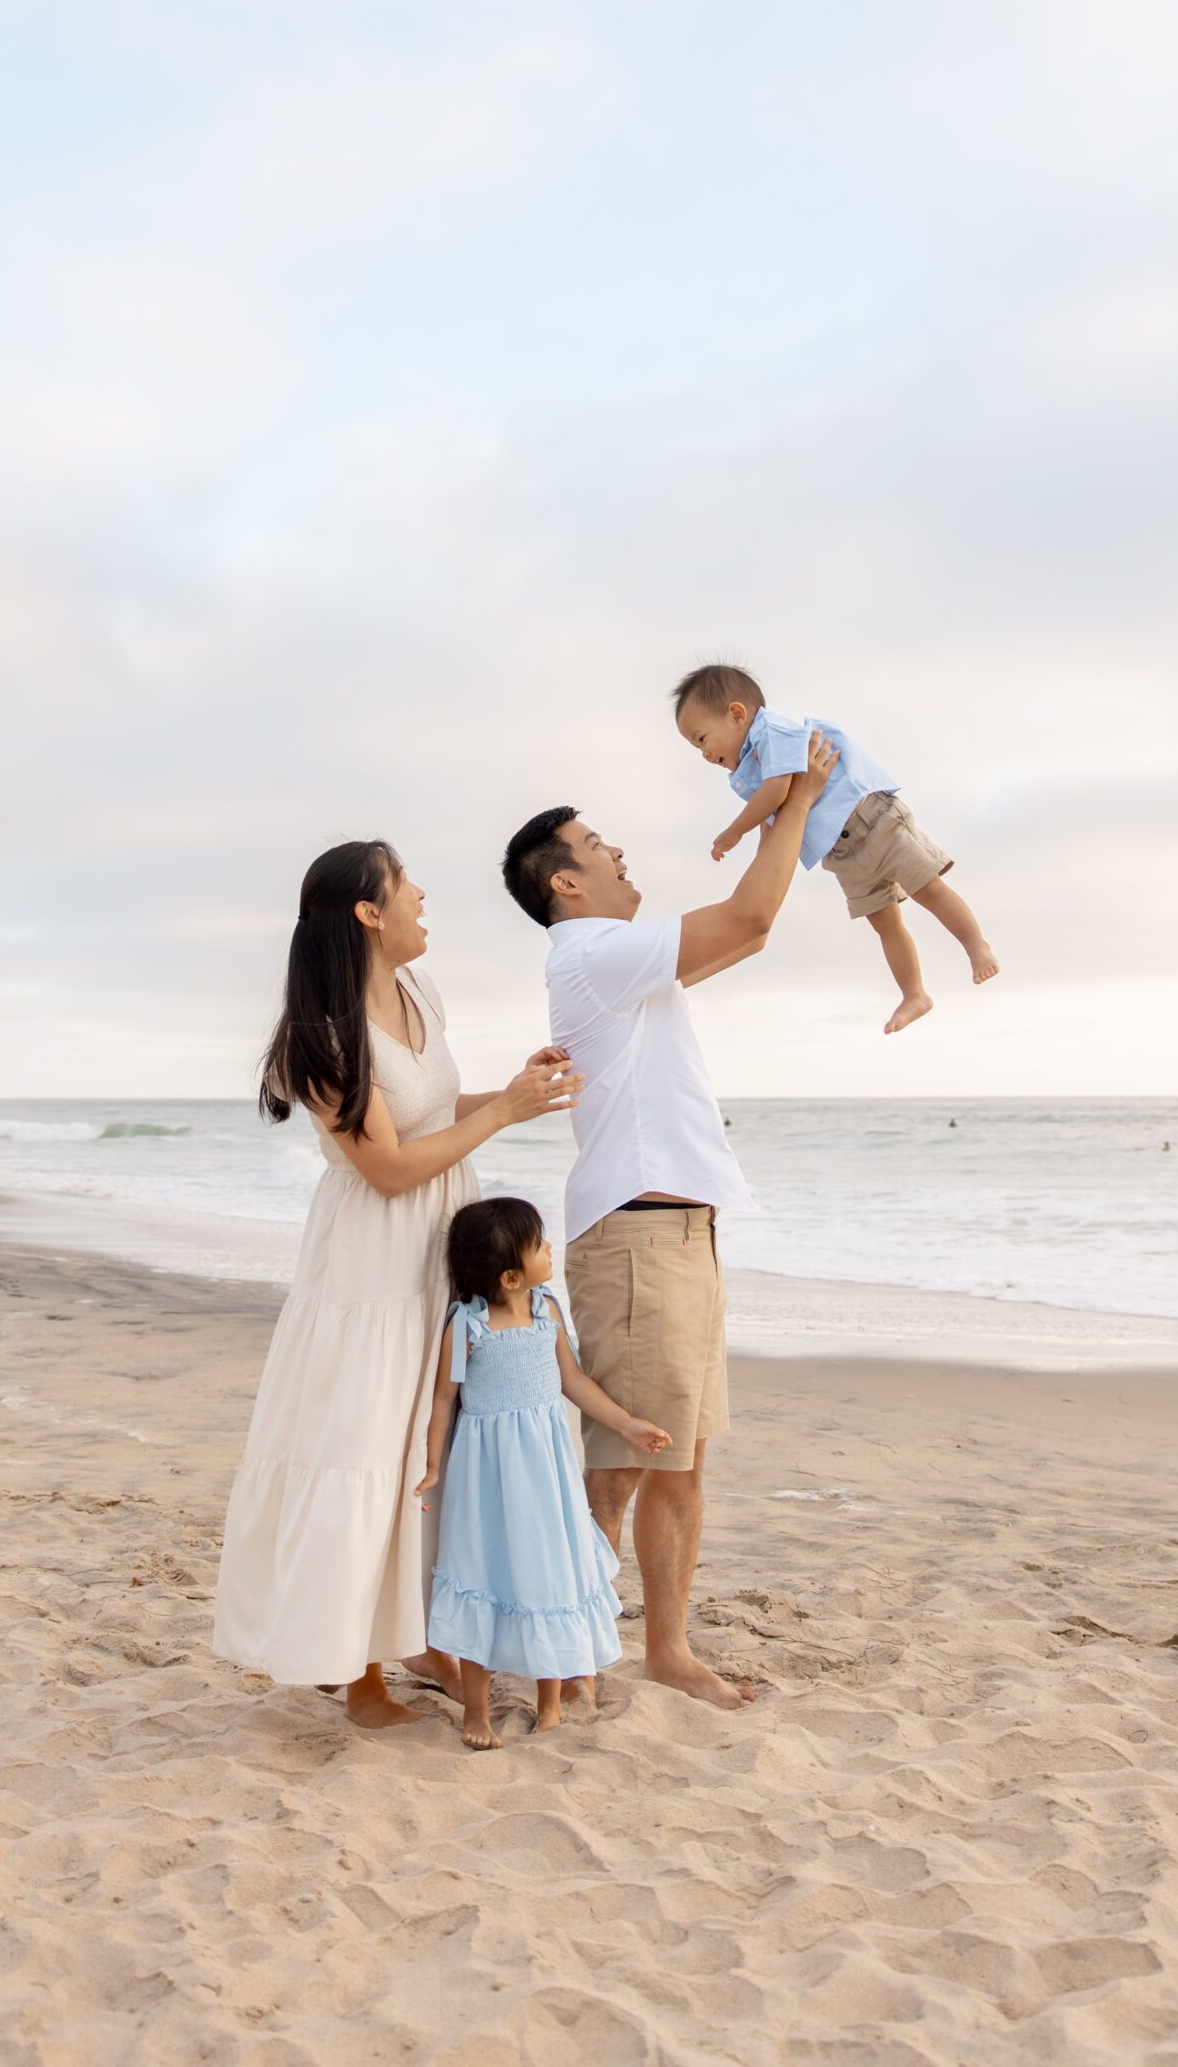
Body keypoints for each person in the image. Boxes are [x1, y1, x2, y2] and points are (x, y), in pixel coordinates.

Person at [500, 728, 837, 1712]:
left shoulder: (611, 959)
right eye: (597, 844)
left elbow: (737, 933)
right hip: (641, 1235)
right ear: (565, 883)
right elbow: (751, 918)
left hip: (675, 1230)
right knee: (623, 1461)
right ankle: (563, 1648)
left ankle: (664, 1650)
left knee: (676, 1456)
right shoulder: (594, 950)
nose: (616, 853)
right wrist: (799, 799)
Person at [211, 841, 582, 1731]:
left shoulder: (420, 993)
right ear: (369, 914)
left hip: (438, 1243)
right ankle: (360, 1676)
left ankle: (419, 1633)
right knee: (368, 1446)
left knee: (430, 1443)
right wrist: (503, 1116)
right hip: (373, 1261)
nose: (422, 895)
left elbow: (435, 1111)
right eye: (405, 882)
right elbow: (383, 1166)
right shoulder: (325, 1035)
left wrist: (517, 1092)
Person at [415, 1196, 671, 1750]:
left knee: (549, 1572)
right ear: (509, 1274)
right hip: (487, 1476)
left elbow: (572, 1381)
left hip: (547, 1474)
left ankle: (550, 1704)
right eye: (539, 1244)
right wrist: (433, 1465)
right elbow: (443, 1399)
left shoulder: (547, 1308)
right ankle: (476, 1712)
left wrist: (626, 1424)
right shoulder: (468, 1325)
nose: (550, 1247)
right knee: (485, 1573)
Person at [673, 660, 998, 1036]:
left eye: (701, 739)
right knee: (885, 924)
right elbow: (773, 820)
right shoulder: (749, 770)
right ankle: (914, 993)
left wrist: (732, 832)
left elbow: (778, 793)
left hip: (874, 822)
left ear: (736, 714)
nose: (704, 754)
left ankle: (976, 945)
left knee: (929, 889)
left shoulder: (772, 733)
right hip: (841, 853)